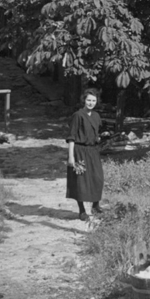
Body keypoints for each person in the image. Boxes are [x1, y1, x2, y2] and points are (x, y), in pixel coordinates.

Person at [66, 89, 104, 221]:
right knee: (81, 181)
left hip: (93, 151)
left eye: (93, 100)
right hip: (79, 151)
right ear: (84, 100)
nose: (91, 103)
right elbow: (71, 137)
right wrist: (71, 157)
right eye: (88, 100)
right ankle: (82, 211)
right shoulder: (78, 115)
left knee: (97, 178)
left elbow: (96, 133)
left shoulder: (96, 116)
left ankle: (95, 206)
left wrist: (100, 137)